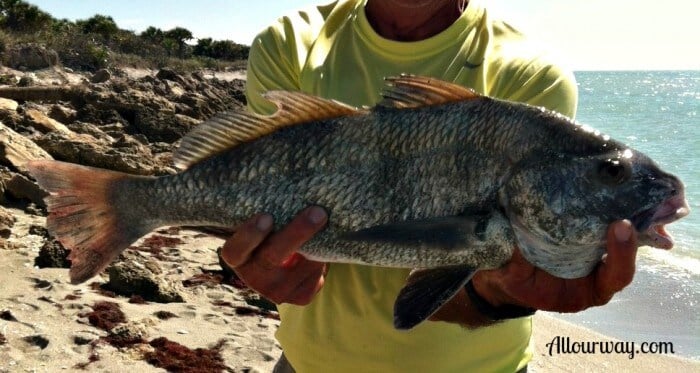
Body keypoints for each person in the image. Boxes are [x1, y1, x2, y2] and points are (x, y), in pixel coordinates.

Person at [220, 0, 640, 371]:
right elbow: (252, 191)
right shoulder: (289, 43)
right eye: (611, 174)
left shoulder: (531, 74)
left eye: (612, 174)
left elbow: (484, 276)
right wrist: (251, 263)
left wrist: (496, 295)